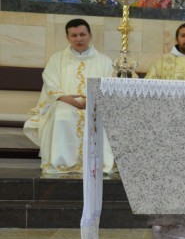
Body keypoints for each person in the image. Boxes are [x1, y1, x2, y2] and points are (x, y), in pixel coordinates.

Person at [23, 18, 116, 175]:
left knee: (98, 118)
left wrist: (92, 100)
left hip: (94, 104)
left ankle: (96, 163)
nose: (78, 39)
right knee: (62, 116)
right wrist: (64, 97)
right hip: (64, 102)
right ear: (67, 38)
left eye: (82, 34)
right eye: (74, 35)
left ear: (90, 35)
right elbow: (50, 81)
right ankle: (63, 163)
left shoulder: (104, 61)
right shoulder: (57, 59)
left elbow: (109, 85)